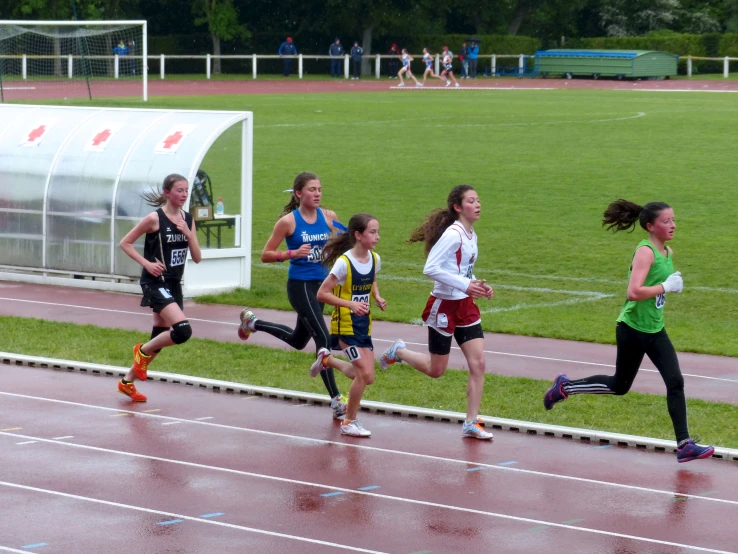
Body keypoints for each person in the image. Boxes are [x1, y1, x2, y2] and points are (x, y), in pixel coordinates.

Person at [543, 200, 715, 463]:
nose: (673, 225)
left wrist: (668, 287)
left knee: (676, 382)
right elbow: (633, 292)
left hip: (655, 329)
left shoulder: (667, 251)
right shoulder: (645, 252)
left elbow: (654, 289)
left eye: (673, 220)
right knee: (620, 386)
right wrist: (666, 288)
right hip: (632, 329)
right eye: (666, 221)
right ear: (650, 226)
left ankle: (684, 445)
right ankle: (566, 386)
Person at [379, 185, 494, 440]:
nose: (478, 205)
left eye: (478, 200)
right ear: (457, 207)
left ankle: (471, 422)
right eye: (471, 201)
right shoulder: (453, 235)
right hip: (444, 305)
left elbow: (461, 269)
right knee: (436, 369)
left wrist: (476, 285)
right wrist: (465, 284)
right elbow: (430, 268)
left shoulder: (471, 233)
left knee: (479, 363)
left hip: (465, 305)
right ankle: (398, 351)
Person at [237, 172, 354, 419]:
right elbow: (266, 254)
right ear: (299, 193)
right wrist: (290, 254)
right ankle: (336, 400)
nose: (318, 193)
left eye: (320, 189)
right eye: (312, 189)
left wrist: (351, 240)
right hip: (299, 286)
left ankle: (252, 323)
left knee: (298, 340)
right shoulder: (288, 222)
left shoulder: (329, 217)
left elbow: (344, 241)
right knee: (322, 337)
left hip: (321, 287)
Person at [118, 174, 202, 402]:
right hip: (155, 282)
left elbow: (197, 257)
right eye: (179, 190)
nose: (184, 194)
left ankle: (127, 382)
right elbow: (125, 243)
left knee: (160, 335)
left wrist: (188, 234)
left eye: (186, 191)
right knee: (182, 331)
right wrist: (146, 263)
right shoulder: (154, 218)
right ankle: (142, 351)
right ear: (167, 193)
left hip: (174, 283)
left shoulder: (188, 219)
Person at [317, 213, 385, 437]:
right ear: (358, 235)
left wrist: (376, 296)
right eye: (372, 232)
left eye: (377, 232)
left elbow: (371, 279)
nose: (377, 237)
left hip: (364, 325)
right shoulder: (343, 263)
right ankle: (349, 421)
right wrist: (350, 305)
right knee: (363, 374)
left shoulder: (375, 259)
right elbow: (322, 294)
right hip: (345, 326)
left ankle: (327, 360)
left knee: (368, 377)